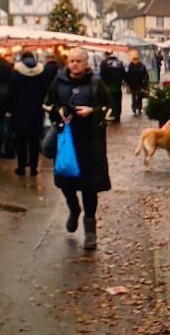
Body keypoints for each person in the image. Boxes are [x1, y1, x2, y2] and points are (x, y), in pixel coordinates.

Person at [46, 48, 112, 250]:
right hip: (67, 141)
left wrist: (93, 111)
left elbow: (110, 107)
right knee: (66, 182)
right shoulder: (59, 81)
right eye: (71, 61)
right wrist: (58, 111)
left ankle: (90, 231)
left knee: (89, 187)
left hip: (91, 142)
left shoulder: (96, 83)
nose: (74, 64)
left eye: (78, 61)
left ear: (86, 63)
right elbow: (47, 104)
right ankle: (74, 209)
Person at [8, 51, 47, 176]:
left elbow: (11, 92)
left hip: (20, 112)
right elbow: (44, 91)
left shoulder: (16, 73)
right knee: (34, 141)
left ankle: (21, 167)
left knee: (21, 141)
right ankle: (34, 168)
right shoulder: (41, 73)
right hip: (36, 111)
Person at [99, 51, 125, 122]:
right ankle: (117, 117)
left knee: (108, 102)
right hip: (117, 87)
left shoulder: (104, 63)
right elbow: (123, 74)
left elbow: (102, 75)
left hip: (107, 87)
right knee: (118, 102)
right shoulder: (119, 62)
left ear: (106, 55)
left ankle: (110, 116)